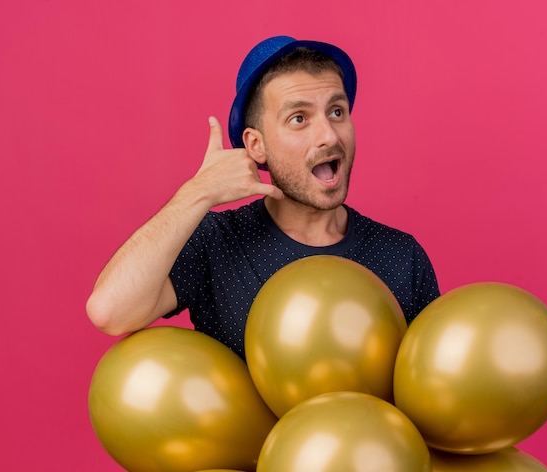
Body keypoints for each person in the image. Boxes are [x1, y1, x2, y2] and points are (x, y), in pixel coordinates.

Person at [86, 36, 440, 360]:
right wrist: (198, 192)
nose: (328, 135)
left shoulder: (401, 256)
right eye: (299, 118)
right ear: (256, 146)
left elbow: (431, 391)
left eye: (337, 112)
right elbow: (110, 310)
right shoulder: (217, 242)